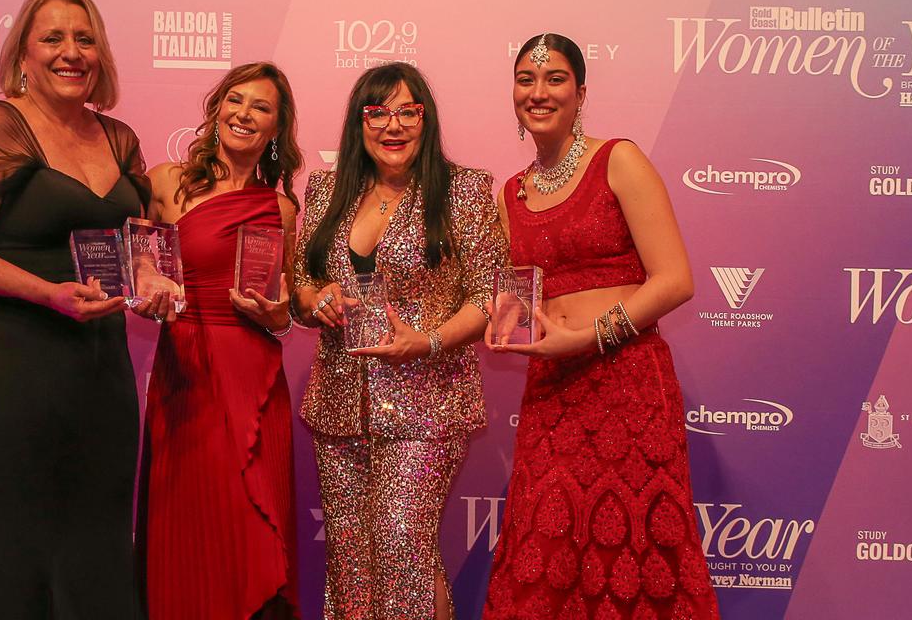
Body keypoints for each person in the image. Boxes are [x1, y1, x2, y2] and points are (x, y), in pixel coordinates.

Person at [0, 0, 147, 619]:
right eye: (53, 38)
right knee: (14, 537)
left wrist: (151, 278)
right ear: (23, 52)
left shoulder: (120, 138)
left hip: (100, 362)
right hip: (12, 358)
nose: (70, 52)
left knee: (99, 534)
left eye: (84, 38)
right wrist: (47, 293)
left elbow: (132, 245)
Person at [481, 33, 719, 619]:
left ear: (581, 92)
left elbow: (675, 280)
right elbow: (516, 294)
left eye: (555, 79)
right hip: (552, 394)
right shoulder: (510, 192)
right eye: (526, 79)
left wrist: (587, 338)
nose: (539, 92)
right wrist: (493, 318)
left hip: (627, 386)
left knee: (632, 548)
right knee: (548, 548)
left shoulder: (619, 159)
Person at [292, 62, 507, 619]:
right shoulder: (325, 190)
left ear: (426, 119)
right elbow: (302, 280)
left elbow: (489, 296)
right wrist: (317, 302)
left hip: (427, 407)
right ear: (358, 123)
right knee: (351, 565)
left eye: (407, 111)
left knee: (402, 550)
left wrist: (430, 341)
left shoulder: (464, 191)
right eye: (377, 111)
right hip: (339, 408)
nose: (393, 125)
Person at [132, 62, 303, 620]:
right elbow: (129, 259)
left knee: (255, 525)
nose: (244, 114)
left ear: (277, 128)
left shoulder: (280, 209)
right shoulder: (164, 183)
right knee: (190, 524)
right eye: (236, 100)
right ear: (217, 108)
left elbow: (287, 306)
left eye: (261, 107)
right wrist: (143, 277)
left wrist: (279, 315)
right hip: (187, 375)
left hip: (255, 374)